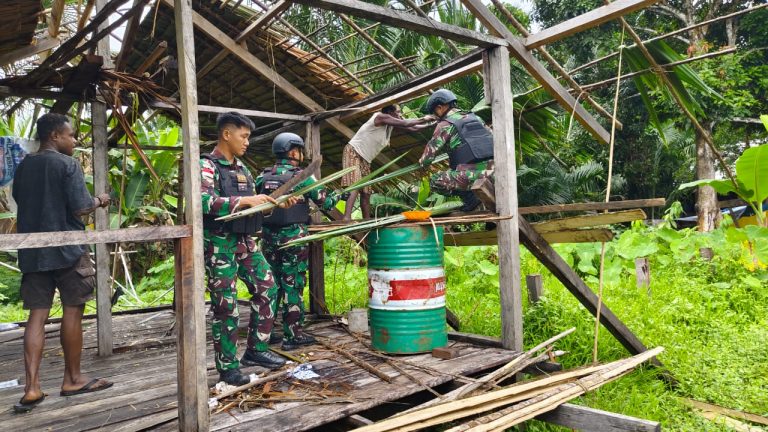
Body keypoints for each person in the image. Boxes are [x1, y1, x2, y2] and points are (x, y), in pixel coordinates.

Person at [12, 113, 113, 413]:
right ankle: (73, 379)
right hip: (68, 250)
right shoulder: (67, 164)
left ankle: (32, 388)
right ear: (55, 136)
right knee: (73, 310)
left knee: (36, 317)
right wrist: (100, 200)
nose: (74, 140)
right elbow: (81, 206)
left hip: (33, 252)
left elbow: (22, 200)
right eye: (70, 135)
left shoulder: (24, 166)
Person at [201, 112, 296, 386]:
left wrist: (273, 204)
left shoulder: (243, 170)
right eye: (244, 136)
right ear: (226, 134)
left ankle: (256, 350)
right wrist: (244, 201)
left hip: (245, 241)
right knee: (225, 305)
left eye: (249, 137)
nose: (247, 142)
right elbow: (203, 200)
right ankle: (227, 367)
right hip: (219, 245)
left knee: (268, 287)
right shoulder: (206, 166)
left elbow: (254, 207)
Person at [256, 133, 340, 350]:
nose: (301, 155)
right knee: (292, 284)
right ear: (293, 151)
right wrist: (340, 194)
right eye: (300, 151)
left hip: (268, 240)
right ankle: (292, 336)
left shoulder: (262, 177)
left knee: (271, 285)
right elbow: (325, 201)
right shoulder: (302, 176)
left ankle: (266, 333)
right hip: (293, 239)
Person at [342, 104, 433, 220]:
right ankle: (346, 218)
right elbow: (406, 123)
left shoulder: (390, 125)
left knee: (366, 191)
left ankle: (367, 220)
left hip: (365, 159)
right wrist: (424, 118)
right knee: (355, 184)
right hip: (353, 152)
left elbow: (413, 128)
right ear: (390, 112)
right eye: (398, 112)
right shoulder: (380, 117)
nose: (400, 115)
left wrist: (432, 124)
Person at [418, 89, 495, 212]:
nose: (435, 117)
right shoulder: (476, 117)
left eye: (435, 113)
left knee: (436, 180)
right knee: (457, 170)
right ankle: (478, 203)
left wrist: (422, 164)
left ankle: (471, 200)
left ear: (439, 108)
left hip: (475, 176)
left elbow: (427, 158)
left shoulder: (445, 124)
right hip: (494, 172)